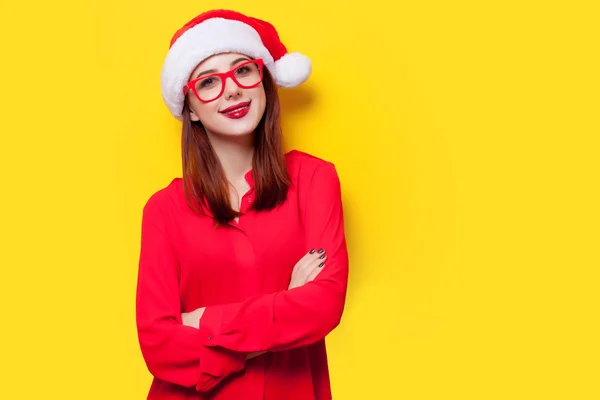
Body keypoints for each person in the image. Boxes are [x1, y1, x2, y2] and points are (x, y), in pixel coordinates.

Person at [136, 9, 349, 400]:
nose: (232, 90)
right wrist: (284, 305)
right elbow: (159, 346)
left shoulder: (314, 182)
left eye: (243, 71)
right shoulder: (163, 210)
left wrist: (204, 322)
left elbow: (323, 305)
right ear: (191, 111)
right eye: (209, 82)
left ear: (264, 80)